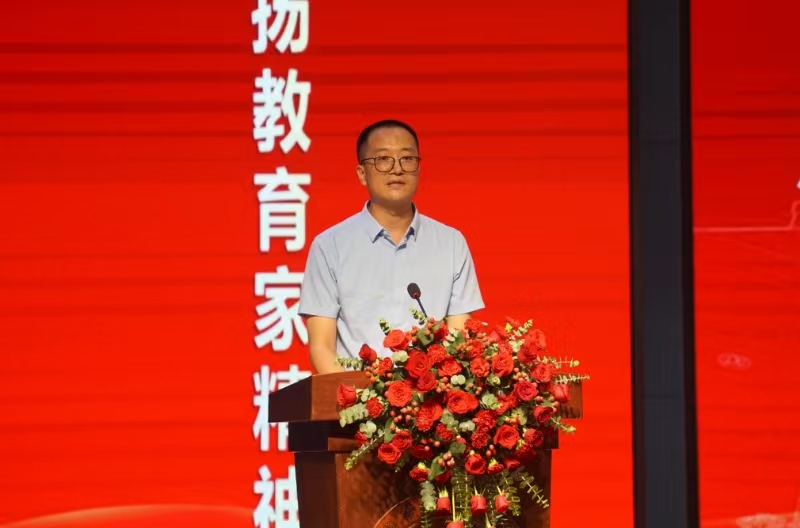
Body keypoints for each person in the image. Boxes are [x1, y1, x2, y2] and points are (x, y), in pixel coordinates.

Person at [297, 119, 485, 374]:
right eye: (383, 159)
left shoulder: (451, 243)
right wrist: (357, 396)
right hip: (354, 394)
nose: (397, 169)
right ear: (362, 173)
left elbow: (458, 341)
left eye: (407, 159)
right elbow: (321, 348)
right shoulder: (329, 246)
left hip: (431, 395)